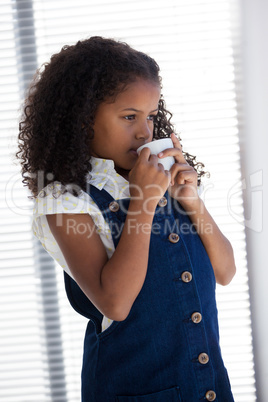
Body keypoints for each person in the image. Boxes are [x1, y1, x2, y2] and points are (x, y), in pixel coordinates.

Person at [17, 36, 236, 401]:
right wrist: (144, 203)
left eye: (150, 116)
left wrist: (190, 200)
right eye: (129, 117)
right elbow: (115, 303)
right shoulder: (66, 201)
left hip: (208, 386)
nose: (144, 132)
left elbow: (225, 272)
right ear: (82, 117)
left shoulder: (158, 178)